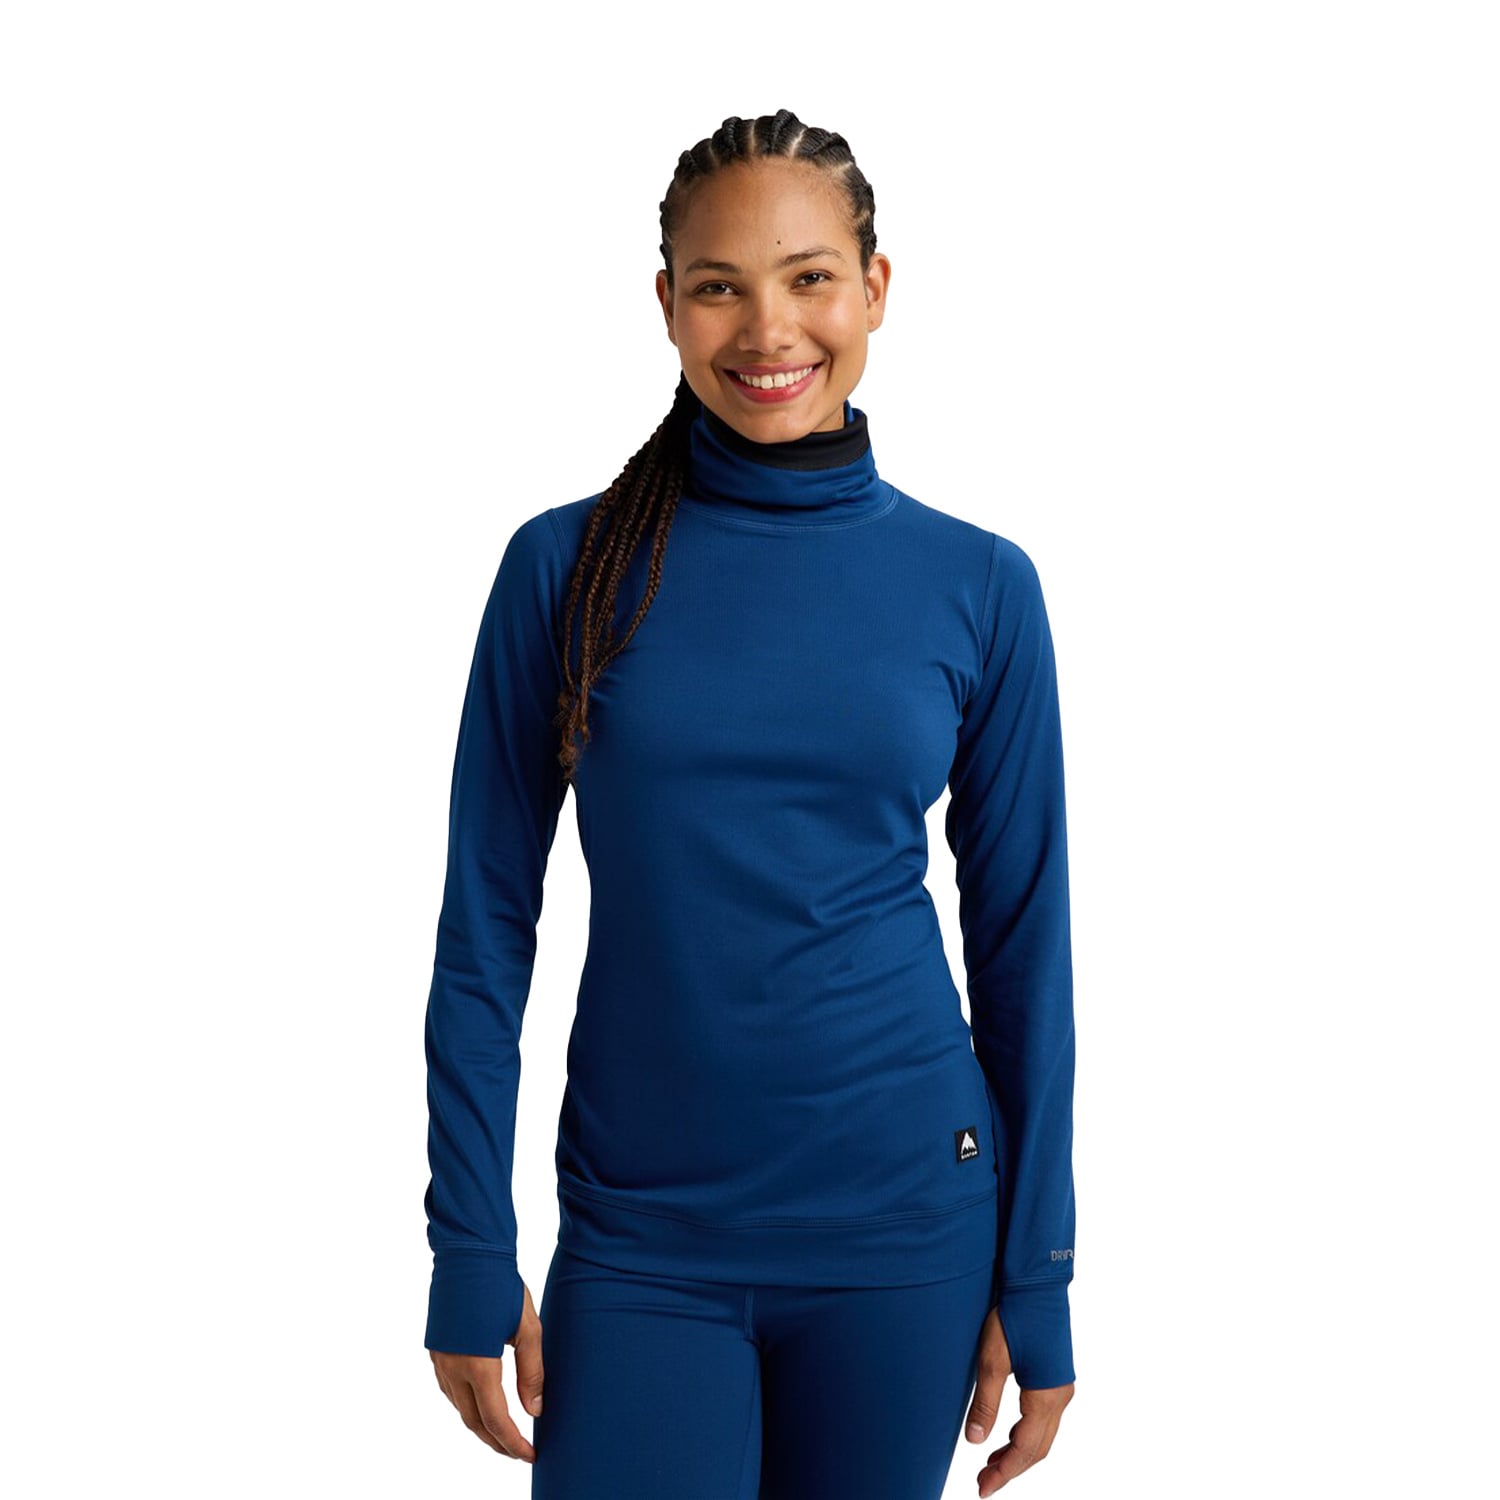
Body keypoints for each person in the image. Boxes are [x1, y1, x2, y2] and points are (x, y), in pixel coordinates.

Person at [421, 109, 1077, 1499]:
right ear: (666, 303)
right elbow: (484, 931)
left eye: (809, 277)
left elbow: (1025, 949)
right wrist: (468, 1241)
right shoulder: (564, 571)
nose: (768, 328)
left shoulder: (981, 587)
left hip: (908, 1224)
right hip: (642, 1235)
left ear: (875, 288)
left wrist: (1040, 1271)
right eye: (720, 285)